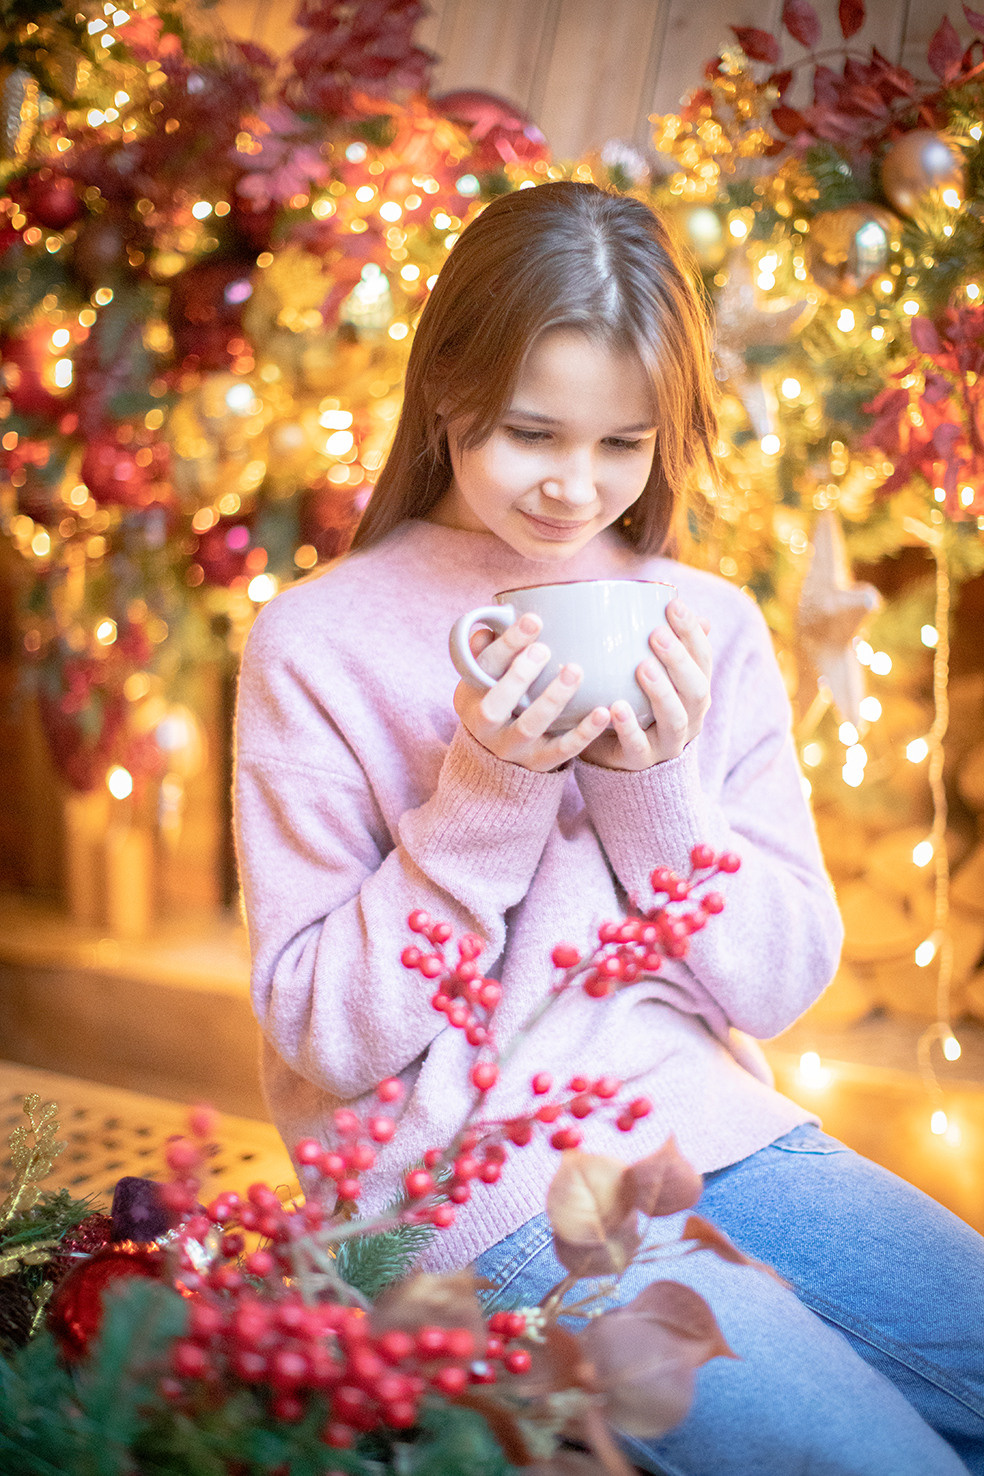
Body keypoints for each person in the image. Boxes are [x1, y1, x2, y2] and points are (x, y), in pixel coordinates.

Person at [234, 181, 984, 1475]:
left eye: (622, 444)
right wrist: (488, 792)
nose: (574, 489)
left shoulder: (706, 623)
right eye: (533, 433)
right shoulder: (315, 643)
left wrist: (657, 789)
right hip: (471, 1186)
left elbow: (777, 984)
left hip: (723, 1132)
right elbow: (325, 1035)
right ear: (450, 390)